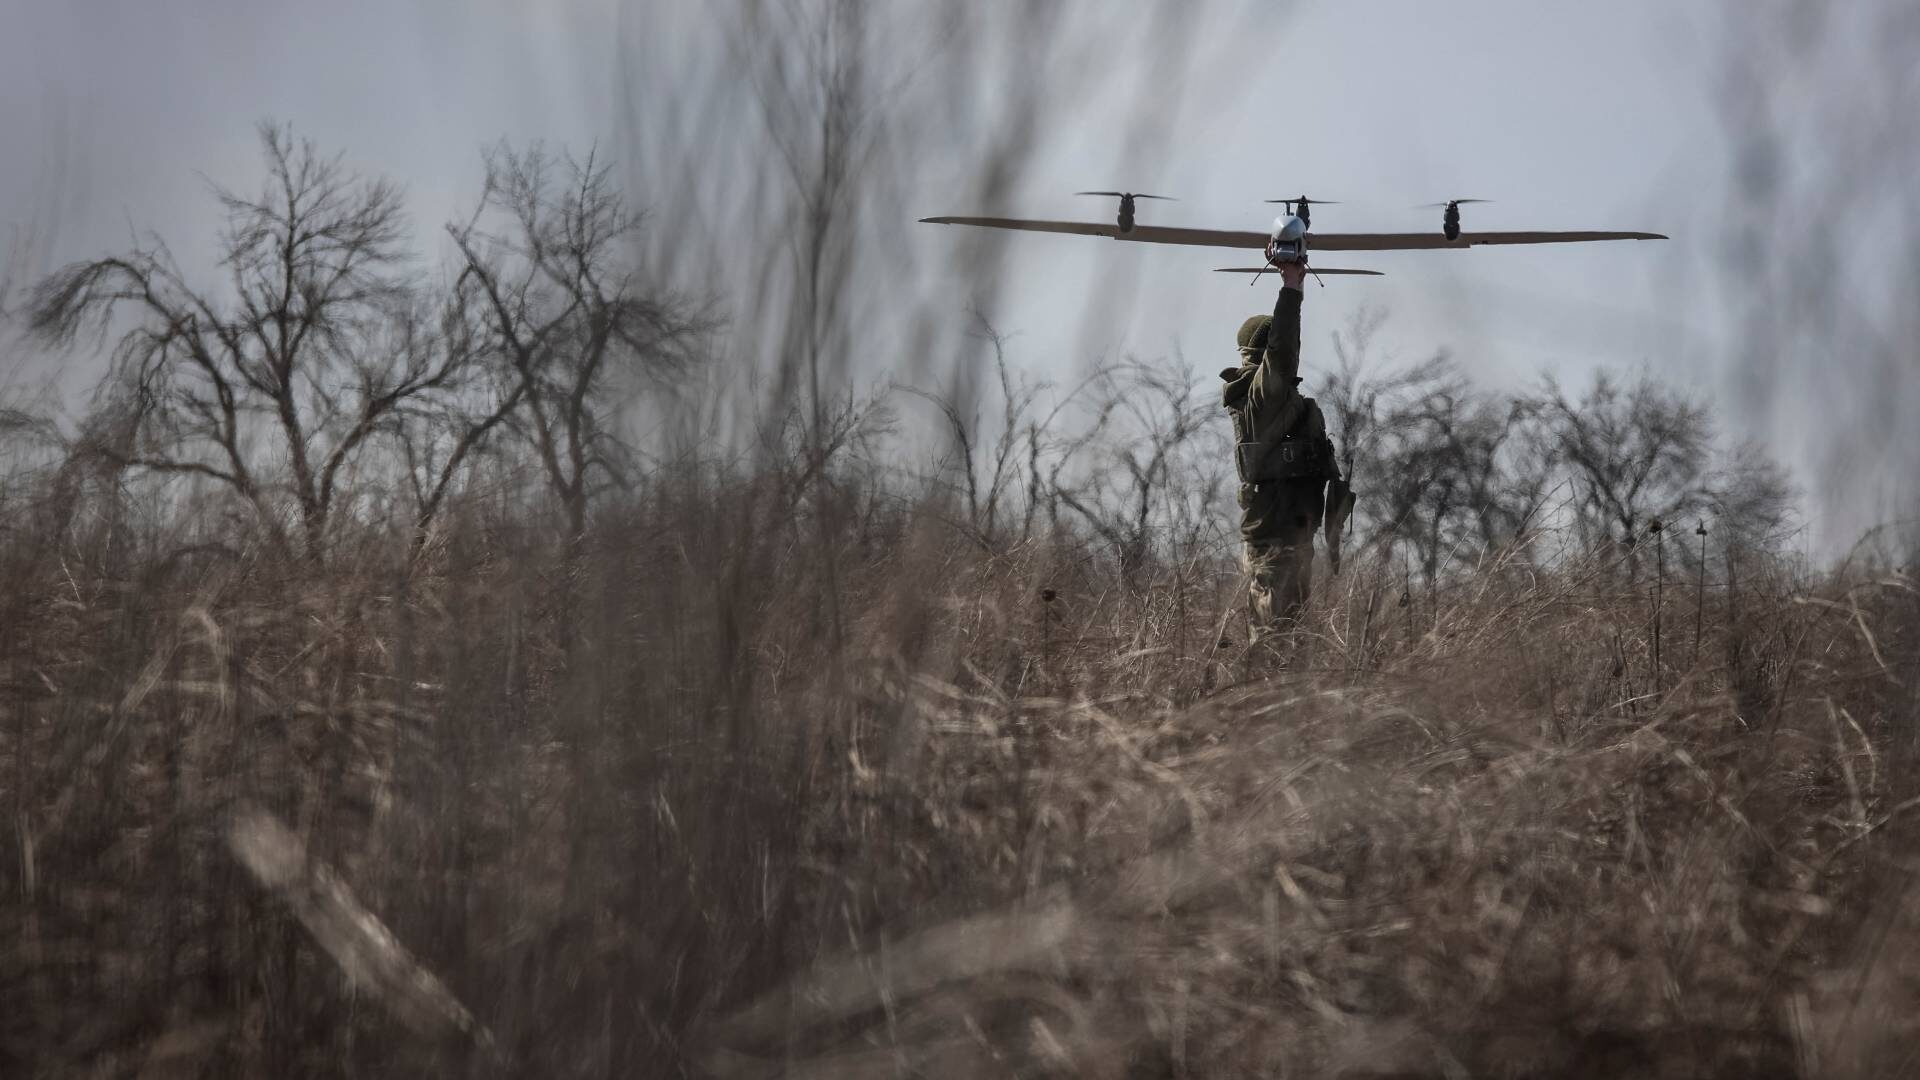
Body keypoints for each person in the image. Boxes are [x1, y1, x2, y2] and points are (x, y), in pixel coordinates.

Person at [1220, 261, 1353, 644]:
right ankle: (1261, 699)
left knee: (1288, 633)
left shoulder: (1272, 401)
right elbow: (1282, 349)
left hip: (1288, 534)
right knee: (1272, 637)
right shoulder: (1263, 398)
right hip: (1274, 535)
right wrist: (1291, 287)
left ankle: (1284, 699)